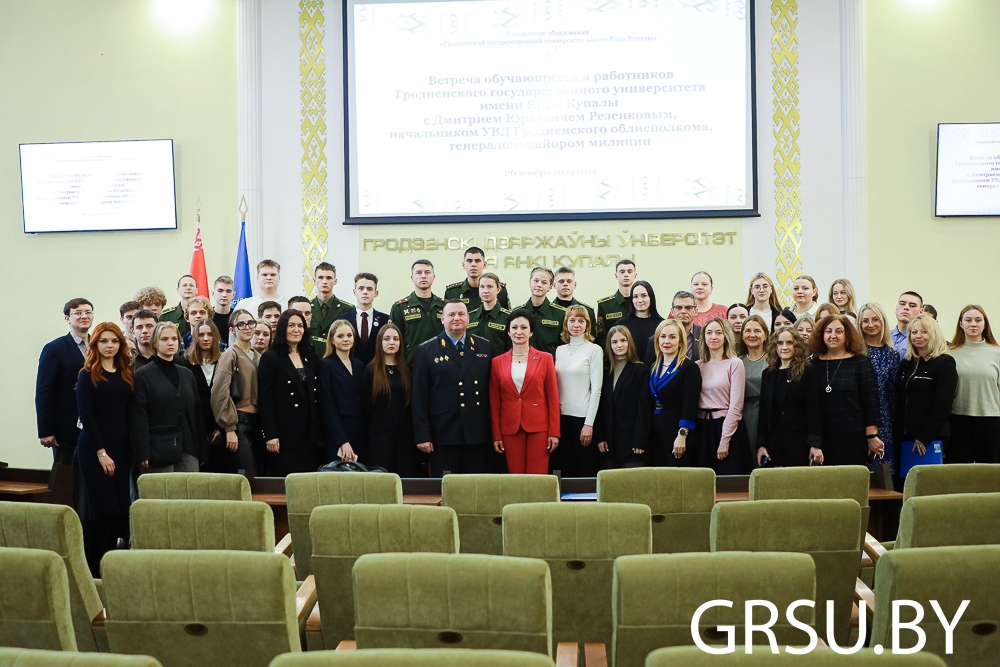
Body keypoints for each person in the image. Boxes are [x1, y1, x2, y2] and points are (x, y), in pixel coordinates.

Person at [76, 322, 134, 576]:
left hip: (121, 451)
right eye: (104, 341)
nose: (109, 345)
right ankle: (91, 573)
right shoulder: (86, 375)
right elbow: (86, 416)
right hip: (95, 450)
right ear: (95, 344)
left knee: (118, 511)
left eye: (114, 341)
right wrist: (101, 453)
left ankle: (109, 571)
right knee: (100, 512)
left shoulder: (125, 374)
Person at [411, 300, 493, 476]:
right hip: (443, 433)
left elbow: (491, 392)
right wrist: (423, 434)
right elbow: (419, 397)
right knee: (445, 487)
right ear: (442, 319)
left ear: (468, 318)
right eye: (451, 315)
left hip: (476, 433)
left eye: (461, 314)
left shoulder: (484, 346)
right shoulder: (426, 350)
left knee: (475, 488)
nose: (457, 318)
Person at [489, 310, 560, 474]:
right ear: (508, 332)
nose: (518, 332)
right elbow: (495, 403)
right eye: (514, 327)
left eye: (523, 327)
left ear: (531, 331)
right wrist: (497, 435)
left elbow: (553, 398)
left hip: (539, 427)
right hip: (510, 427)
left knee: (538, 476)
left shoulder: (545, 358)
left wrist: (554, 432)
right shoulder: (497, 362)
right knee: (516, 477)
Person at [130, 322, 205, 473]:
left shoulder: (187, 374)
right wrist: (142, 451)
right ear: (155, 343)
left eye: (174, 339)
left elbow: (197, 414)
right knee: (161, 495)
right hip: (157, 450)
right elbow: (139, 416)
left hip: (188, 448)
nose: (170, 342)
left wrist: (202, 450)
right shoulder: (143, 375)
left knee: (190, 493)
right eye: (164, 339)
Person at [810, 314, 883, 466]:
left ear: (847, 335)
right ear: (822, 335)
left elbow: (870, 402)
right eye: (828, 331)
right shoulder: (813, 365)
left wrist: (871, 436)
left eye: (839, 331)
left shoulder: (860, 362)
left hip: (853, 437)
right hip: (822, 439)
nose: (833, 335)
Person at [257, 310, 323, 476]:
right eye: (291, 325)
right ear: (281, 329)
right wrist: (271, 435)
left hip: (310, 435)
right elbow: (265, 400)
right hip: (284, 436)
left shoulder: (310, 356)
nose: (297, 329)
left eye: (300, 325)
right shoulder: (270, 358)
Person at [634, 320, 702, 467]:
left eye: (672, 337)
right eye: (663, 336)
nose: (666, 341)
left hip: (677, 432)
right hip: (656, 433)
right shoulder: (653, 367)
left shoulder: (689, 367)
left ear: (680, 341)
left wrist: (682, 435)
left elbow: (690, 405)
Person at [36, 298, 93, 465]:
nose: (84, 316)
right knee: (67, 482)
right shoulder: (55, 348)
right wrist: (46, 430)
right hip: (66, 429)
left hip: (95, 426)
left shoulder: (100, 345)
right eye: (78, 313)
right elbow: (44, 391)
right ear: (68, 318)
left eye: (88, 312)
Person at [896, 315, 957, 471]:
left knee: (926, 486)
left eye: (924, 332)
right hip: (904, 436)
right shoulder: (906, 363)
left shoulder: (944, 363)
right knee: (902, 486)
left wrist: (924, 437)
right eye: (914, 332)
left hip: (930, 438)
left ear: (934, 334)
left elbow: (943, 405)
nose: (918, 336)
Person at [757, 326, 823, 467]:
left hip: (799, 442)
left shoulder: (807, 370)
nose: (784, 347)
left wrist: (815, 443)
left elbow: (814, 409)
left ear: (797, 345)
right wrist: (761, 445)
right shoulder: (768, 374)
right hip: (773, 443)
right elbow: (763, 411)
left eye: (789, 343)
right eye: (780, 343)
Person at [552, 306, 603, 477]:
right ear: (566, 324)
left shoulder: (594, 349)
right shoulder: (560, 351)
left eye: (581, 321)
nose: (576, 324)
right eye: (572, 320)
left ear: (587, 325)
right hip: (561, 420)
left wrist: (589, 424)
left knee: (583, 471)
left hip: (583, 419)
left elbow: (596, 389)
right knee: (564, 470)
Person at [210, 309, 262, 475]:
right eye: (241, 324)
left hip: (257, 422)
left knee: (260, 475)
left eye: (250, 323)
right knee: (247, 473)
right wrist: (229, 428)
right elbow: (219, 393)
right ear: (232, 329)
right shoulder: (230, 355)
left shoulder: (258, 356)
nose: (247, 327)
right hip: (238, 421)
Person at [695, 318, 749, 475]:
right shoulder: (698, 366)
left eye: (719, 333)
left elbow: (736, 406)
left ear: (726, 336)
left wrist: (725, 440)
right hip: (703, 429)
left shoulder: (734, 363)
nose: (713, 337)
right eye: (709, 332)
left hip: (726, 427)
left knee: (729, 481)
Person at [947, 305, 1000, 463]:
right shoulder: (949, 352)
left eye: (978, 320)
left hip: (990, 420)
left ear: (985, 324)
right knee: (959, 473)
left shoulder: (996, 353)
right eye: (968, 320)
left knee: (989, 474)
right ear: (961, 324)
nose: (973, 324)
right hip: (958, 420)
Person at [361, 323, 416, 476]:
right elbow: (366, 408)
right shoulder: (370, 370)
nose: (392, 342)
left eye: (396, 339)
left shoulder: (408, 370)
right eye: (387, 339)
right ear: (380, 342)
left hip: (405, 439)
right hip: (379, 439)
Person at [594, 325, 648, 468]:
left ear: (629, 342)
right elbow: (599, 406)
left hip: (632, 441)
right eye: (614, 342)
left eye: (623, 340)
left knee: (633, 486)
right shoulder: (604, 370)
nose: (619, 345)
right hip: (608, 442)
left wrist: (640, 440)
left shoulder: (640, 369)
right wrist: (600, 437)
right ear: (609, 345)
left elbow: (644, 409)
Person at [318, 320, 366, 464]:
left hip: (359, 430)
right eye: (340, 336)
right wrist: (342, 441)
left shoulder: (359, 365)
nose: (346, 339)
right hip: (338, 432)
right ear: (332, 339)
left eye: (349, 335)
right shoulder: (325, 365)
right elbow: (327, 405)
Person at [859, 302, 899, 472]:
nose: (870, 324)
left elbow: (892, 394)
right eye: (865, 321)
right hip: (856, 421)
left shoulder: (891, 354)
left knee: (883, 479)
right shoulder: (853, 352)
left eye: (875, 319)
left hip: (883, 423)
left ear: (883, 321)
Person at [180, 318, 224, 464]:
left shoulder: (224, 361)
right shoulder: (184, 362)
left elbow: (228, 396)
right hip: (196, 427)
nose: (206, 338)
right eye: (201, 334)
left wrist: (221, 429)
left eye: (210, 334)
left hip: (221, 425)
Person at [389, 259, 445, 363]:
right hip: (411, 365)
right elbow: (394, 340)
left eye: (427, 272)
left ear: (433, 277)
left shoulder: (445, 306)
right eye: (418, 273)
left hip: (442, 364)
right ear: (412, 278)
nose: (423, 276)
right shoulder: (400, 307)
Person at [738, 315, 769, 469]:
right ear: (742, 336)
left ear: (765, 335)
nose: (752, 335)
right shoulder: (738, 361)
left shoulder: (774, 360)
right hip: (743, 416)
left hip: (767, 414)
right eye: (747, 331)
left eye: (757, 331)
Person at [341, 273, 388, 366]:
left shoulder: (385, 320)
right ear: (354, 292)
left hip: (376, 371)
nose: (365, 292)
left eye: (369, 289)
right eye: (361, 288)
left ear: (376, 293)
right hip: (349, 371)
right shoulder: (343, 320)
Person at [445, 246, 511, 311]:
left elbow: (507, 317)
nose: (473, 264)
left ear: (484, 264)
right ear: (463, 265)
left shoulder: (499, 290)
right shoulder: (452, 292)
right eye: (469, 261)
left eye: (477, 261)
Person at [643, 291, 701, 364]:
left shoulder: (704, 335)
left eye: (688, 307)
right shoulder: (656, 340)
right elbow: (650, 369)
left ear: (696, 311)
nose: (683, 311)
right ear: (672, 311)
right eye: (678, 307)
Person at [516, 267, 564, 355]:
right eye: (536, 281)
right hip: (523, 363)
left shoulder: (561, 314)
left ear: (550, 286)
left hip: (550, 364)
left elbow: (564, 345)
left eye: (544, 282)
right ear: (530, 283)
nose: (539, 285)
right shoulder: (516, 313)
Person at [309, 262, 353, 348]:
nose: (324, 281)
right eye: (320, 277)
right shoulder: (306, 308)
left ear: (335, 281)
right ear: (314, 281)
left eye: (329, 278)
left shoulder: (347, 309)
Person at [468, 272, 511, 357]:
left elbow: (510, 348)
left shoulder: (508, 317)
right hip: (474, 367)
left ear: (498, 290)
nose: (485, 291)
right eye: (482, 287)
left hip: (497, 366)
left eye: (490, 287)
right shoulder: (470, 317)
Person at [616, 280, 664, 358]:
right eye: (635, 297)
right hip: (630, 369)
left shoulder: (662, 325)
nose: (640, 300)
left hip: (655, 369)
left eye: (644, 296)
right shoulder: (622, 325)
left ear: (651, 298)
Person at [596, 259, 637, 348]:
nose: (626, 274)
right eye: (622, 272)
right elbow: (601, 337)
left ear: (635, 275)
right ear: (616, 276)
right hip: (614, 355)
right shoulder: (605, 305)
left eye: (629, 272)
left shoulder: (641, 303)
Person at [159, 274, 199, 339]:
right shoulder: (165, 316)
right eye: (184, 285)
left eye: (191, 285)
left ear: (197, 290)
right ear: (178, 290)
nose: (188, 288)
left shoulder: (204, 314)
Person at [891, 291, 924, 358]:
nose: (906, 308)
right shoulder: (883, 337)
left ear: (921, 312)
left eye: (912, 305)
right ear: (896, 308)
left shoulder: (922, 340)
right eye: (902, 304)